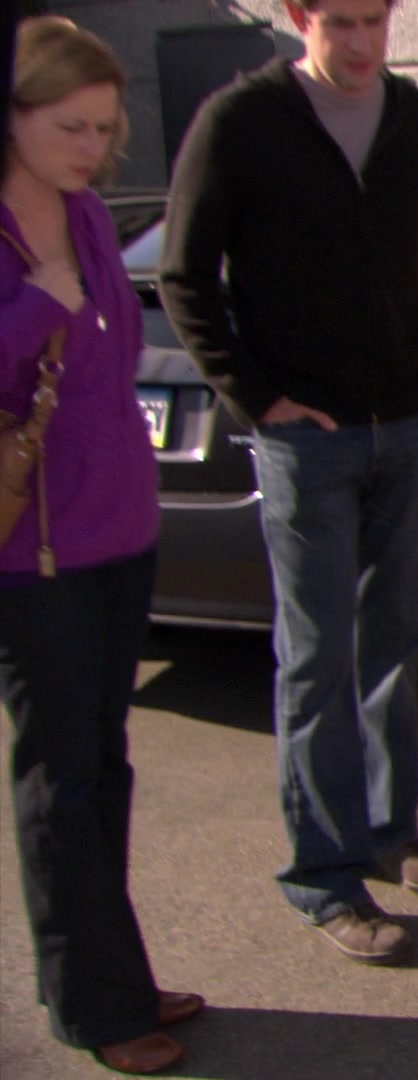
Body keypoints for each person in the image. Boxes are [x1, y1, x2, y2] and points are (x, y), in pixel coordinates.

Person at [159, 0, 418, 966]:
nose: (364, 41)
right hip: (309, 445)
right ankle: (323, 876)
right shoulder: (240, 122)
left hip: (406, 430)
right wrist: (259, 397)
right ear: (299, 15)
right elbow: (184, 276)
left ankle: (392, 832)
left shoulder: (416, 120)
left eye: (377, 18)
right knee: (317, 658)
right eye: (342, 20)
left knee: (396, 640)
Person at [2, 15, 205, 1075]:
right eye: (68, 125)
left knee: (105, 767)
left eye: (104, 128)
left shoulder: (84, 216)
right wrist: (35, 300)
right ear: (15, 114)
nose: (90, 147)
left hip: (117, 532)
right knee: (61, 779)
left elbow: (112, 367)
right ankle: (93, 1002)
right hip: (31, 556)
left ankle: (115, 968)